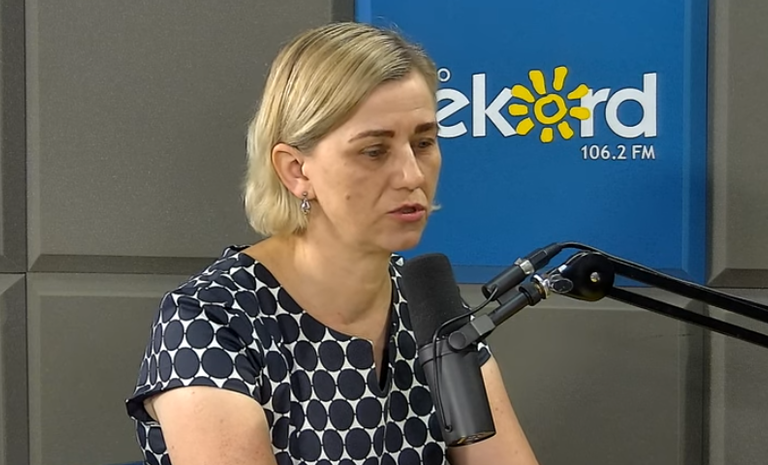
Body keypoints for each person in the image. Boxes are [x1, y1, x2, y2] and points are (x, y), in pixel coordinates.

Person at [125, 21, 540, 465]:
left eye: (423, 143)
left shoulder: (428, 305)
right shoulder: (209, 319)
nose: (412, 175)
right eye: (374, 151)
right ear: (296, 170)